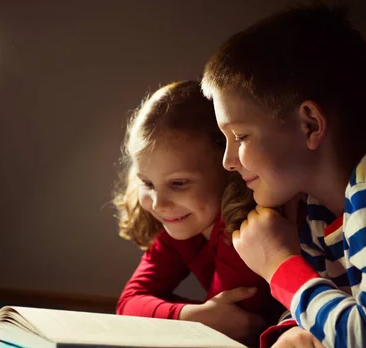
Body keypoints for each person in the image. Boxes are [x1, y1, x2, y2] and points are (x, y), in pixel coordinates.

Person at [201, 1, 366, 347]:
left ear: (310, 124)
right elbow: (325, 306)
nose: (227, 161)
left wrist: (279, 266)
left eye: (240, 137)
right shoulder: (317, 207)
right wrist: (292, 333)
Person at [113, 80, 283, 345]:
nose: (159, 204)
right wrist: (193, 315)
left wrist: (193, 316)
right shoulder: (180, 225)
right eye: (147, 183)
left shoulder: (242, 228)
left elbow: (226, 326)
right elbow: (128, 303)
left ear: (229, 169)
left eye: (179, 183)